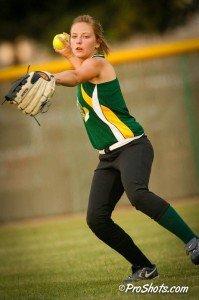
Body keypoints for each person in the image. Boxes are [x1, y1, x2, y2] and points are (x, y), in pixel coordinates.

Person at [53, 15, 199, 282]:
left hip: (133, 145)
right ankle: (143, 266)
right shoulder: (86, 67)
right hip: (107, 157)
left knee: (138, 195)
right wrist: (67, 56)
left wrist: (48, 77)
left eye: (86, 36)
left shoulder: (98, 64)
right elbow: (77, 70)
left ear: (97, 43)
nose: (78, 41)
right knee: (96, 219)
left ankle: (193, 241)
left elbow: (76, 75)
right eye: (74, 36)